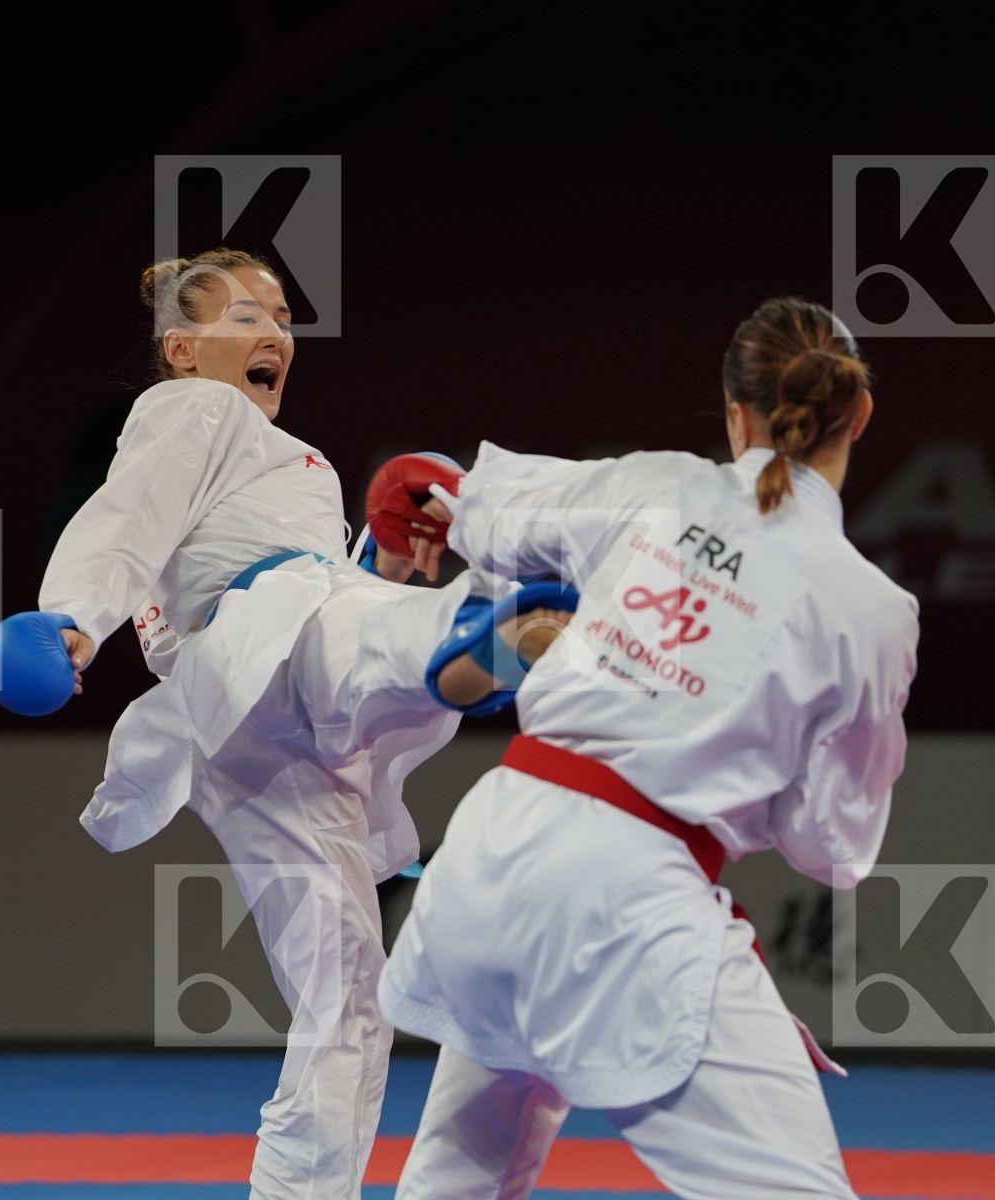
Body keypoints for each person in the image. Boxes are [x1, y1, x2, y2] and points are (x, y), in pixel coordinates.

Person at [378, 297, 921, 1199]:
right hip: (622, 902)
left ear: (733, 411)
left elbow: (487, 514)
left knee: (458, 1177)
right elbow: (831, 849)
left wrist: (429, 488)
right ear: (859, 414)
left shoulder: (657, 484)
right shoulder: (868, 608)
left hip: (491, 855)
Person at [0, 248, 502, 1199]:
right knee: (370, 639)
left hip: (246, 731)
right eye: (246, 317)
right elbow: (124, 517)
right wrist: (71, 616)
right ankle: (493, 635)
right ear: (181, 349)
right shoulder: (196, 408)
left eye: (282, 318)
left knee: (347, 999)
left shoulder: (280, 459)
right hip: (269, 639)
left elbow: (286, 578)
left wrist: (384, 555)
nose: (276, 332)